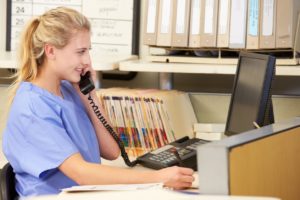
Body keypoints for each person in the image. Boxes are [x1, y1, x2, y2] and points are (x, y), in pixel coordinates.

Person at [2, 7, 194, 198]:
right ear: (51, 51)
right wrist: (157, 177)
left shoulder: (69, 91)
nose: (87, 60)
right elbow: (81, 173)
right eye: (80, 52)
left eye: (88, 51)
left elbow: (111, 151)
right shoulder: (33, 107)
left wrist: (88, 93)